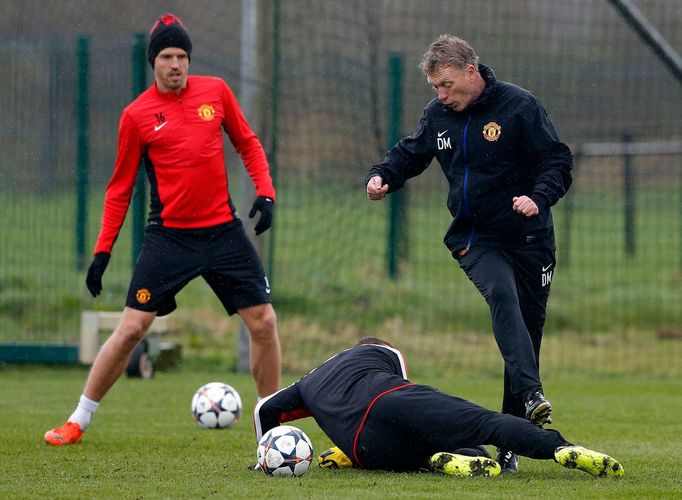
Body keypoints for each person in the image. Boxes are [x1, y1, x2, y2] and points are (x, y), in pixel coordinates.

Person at [45, 13, 281, 446]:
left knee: (264, 321)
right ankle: (78, 419)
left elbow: (247, 143)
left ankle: (272, 424)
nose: (176, 64)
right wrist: (103, 252)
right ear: (153, 62)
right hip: (169, 236)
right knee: (132, 327)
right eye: (168, 56)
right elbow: (119, 188)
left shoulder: (217, 92)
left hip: (224, 232)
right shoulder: (136, 116)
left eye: (183, 56)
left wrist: (265, 193)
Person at [365, 35, 573, 472]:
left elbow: (557, 161)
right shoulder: (439, 115)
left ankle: (510, 441)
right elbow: (411, 152)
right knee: (502, 296)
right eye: (435, 88)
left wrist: (539, 197)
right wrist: (384, 175)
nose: (441, 95)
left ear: (470, 72)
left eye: (445, 85)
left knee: (526, 335)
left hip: (531, 240)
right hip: (476, 239)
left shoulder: (519, 106)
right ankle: (533, 393)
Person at [254, 338, 623, 478]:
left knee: (451, 451)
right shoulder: (381, 352)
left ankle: (439, 460)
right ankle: (561, 447)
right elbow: (401, 388)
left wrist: (262, 457)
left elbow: (265, 411)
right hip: (391, 400)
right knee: (487, 424)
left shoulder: (305, 384)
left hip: (363, 448)